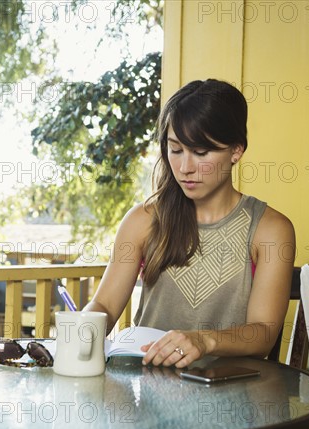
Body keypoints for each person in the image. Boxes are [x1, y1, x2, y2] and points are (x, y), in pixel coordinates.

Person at [83, 79, 296, 369]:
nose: (185, 168)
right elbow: (105, 307)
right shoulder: (143, 220)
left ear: (236, 151)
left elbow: (263, 333)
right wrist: (83, 327)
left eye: (201, 152)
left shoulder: (270, 230)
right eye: (176, 149)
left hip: (227, 397)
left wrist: (203, 340)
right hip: (146, 392)